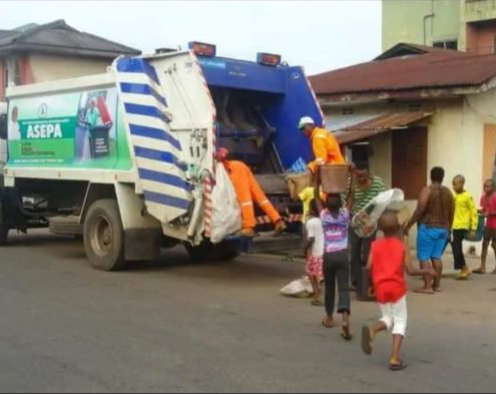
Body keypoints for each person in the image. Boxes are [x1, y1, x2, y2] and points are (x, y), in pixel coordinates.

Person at [361, 211, 435, 371]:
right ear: (397, 228)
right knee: (400, 321)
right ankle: (394, 358)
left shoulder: (375, 245)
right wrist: (427, 271)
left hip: (380, 287)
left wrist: (371, 284)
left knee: (388, 317)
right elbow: (411, 270)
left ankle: (373, 329)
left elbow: (368, 267)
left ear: (380, 228)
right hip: (397, 289)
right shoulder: (401, 246)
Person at [314, 173, 352, 341]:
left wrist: (317, 177)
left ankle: (329, 318)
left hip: (328, 255)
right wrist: (351, 174)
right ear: (341, 203)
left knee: (329, 287)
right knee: (344, 287)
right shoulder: (345, 215)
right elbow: (352, 195)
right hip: (343, 254)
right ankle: (345, 319)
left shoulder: (324, 216)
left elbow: (315, 196)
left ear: (326, 205)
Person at [404, 167, 454, 294]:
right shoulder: (448, 192)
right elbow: (451, 212)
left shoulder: (427, 190)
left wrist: (409, 224)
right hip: (443, 228)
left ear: (431, 176)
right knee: (436, 256)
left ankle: (427, 286)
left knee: (424, 256)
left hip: (428, 227)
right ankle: (436, 285)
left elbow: (420, 210)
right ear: (443, 177)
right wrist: (449, 228)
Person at [215, 148, 286, 238]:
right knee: (260, 198)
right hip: (239, 168)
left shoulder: (225, 165)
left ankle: (248, 227)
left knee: (244, 199)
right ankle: (278, 220)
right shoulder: (231, 163)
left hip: (236, 170)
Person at [344, 162, 386, 289]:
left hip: (371, 223)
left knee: (368, 254)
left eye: (364, 176)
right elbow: (345, 201)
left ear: (369, 173)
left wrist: (377, 220)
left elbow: (383, 202)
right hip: (355, 223)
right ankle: (355, 282)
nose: (361, 179)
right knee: (354, 253)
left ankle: (368, 282)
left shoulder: (378, 183)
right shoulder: (349, 183)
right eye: (358, 177)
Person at [451, 175, 478, 280]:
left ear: (462, 184)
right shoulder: (454, 196)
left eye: (455, 184)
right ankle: (464, 267)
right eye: (452, 184)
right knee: (456, 247)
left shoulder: (467, 196)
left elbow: (473, 212)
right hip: (454, 226)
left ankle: (464, 269)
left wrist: (473, 228)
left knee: (456, 247)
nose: (453, 186)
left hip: (462, 226)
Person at [303, 199, 324, 306]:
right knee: (320, 274)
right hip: (326, 251)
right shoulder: (326, 220)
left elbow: (311, 239)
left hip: (316, 252)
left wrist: (304, 249)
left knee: (311, 272)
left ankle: (317, 294)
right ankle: (319, 293)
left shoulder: (311, 222)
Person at [473, 179, 496, 275]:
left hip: (495, 226)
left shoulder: (495, 197)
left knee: (495, 245)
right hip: (488, 225)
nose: (486, 188)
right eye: (485, 186)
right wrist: (480, 212)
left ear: (493, 187)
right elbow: (484, 209)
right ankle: (482, 267)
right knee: (484, 244)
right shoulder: (483, 198)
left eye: (488, 186)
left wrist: (489, 213)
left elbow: (490, 211)